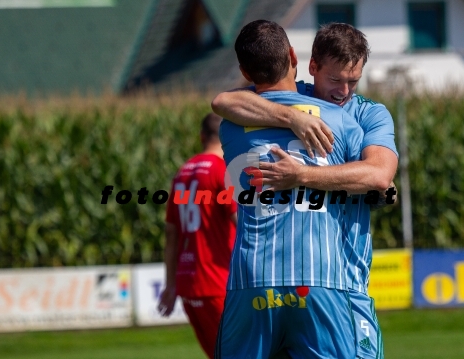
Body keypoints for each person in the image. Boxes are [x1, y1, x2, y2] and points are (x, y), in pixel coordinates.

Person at [212, 22, 398, 358]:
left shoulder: (370, 114)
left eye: (353, 81)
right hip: (325, 275)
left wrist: (301, 175)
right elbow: (222, 100)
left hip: (335, 273)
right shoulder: (328, 116)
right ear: (308, 65)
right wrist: (293, 119)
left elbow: (381, 178)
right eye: (335, 79)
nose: (344, 91)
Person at [158, 113, 237, 359]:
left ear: (202, 137)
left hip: (189, 285)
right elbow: (243, 223)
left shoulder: (182, 173)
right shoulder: (222, 171)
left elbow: (171, 234)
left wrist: (170, 285)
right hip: (220, 281)